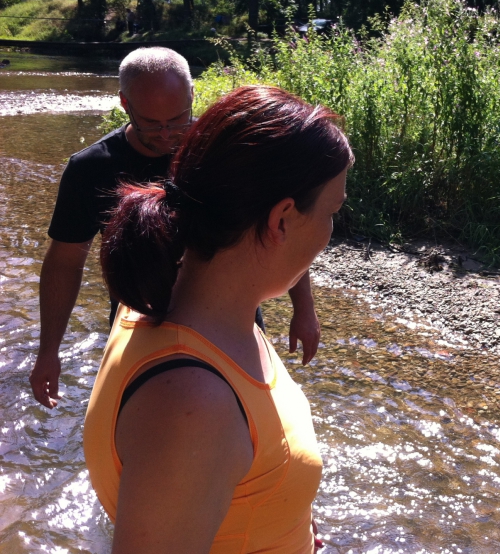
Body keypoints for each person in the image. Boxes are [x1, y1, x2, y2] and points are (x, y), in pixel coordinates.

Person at [84, 84, 353, 552]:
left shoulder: (168, 297)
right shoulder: (193, 405)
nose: (331, 233)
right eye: (333, 212)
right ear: (283, 218)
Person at [31, 47, 320, 409]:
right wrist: (49, 351)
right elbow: (64, 262)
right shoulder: (91, 169)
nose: (167, 133)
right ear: (124, 103)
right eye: (151, 122)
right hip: (140, 326)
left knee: (248, 425)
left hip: (233, 322)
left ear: (192, 96)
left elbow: (278, 226)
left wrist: (304, 309)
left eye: (178, 118)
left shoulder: (223, 152)